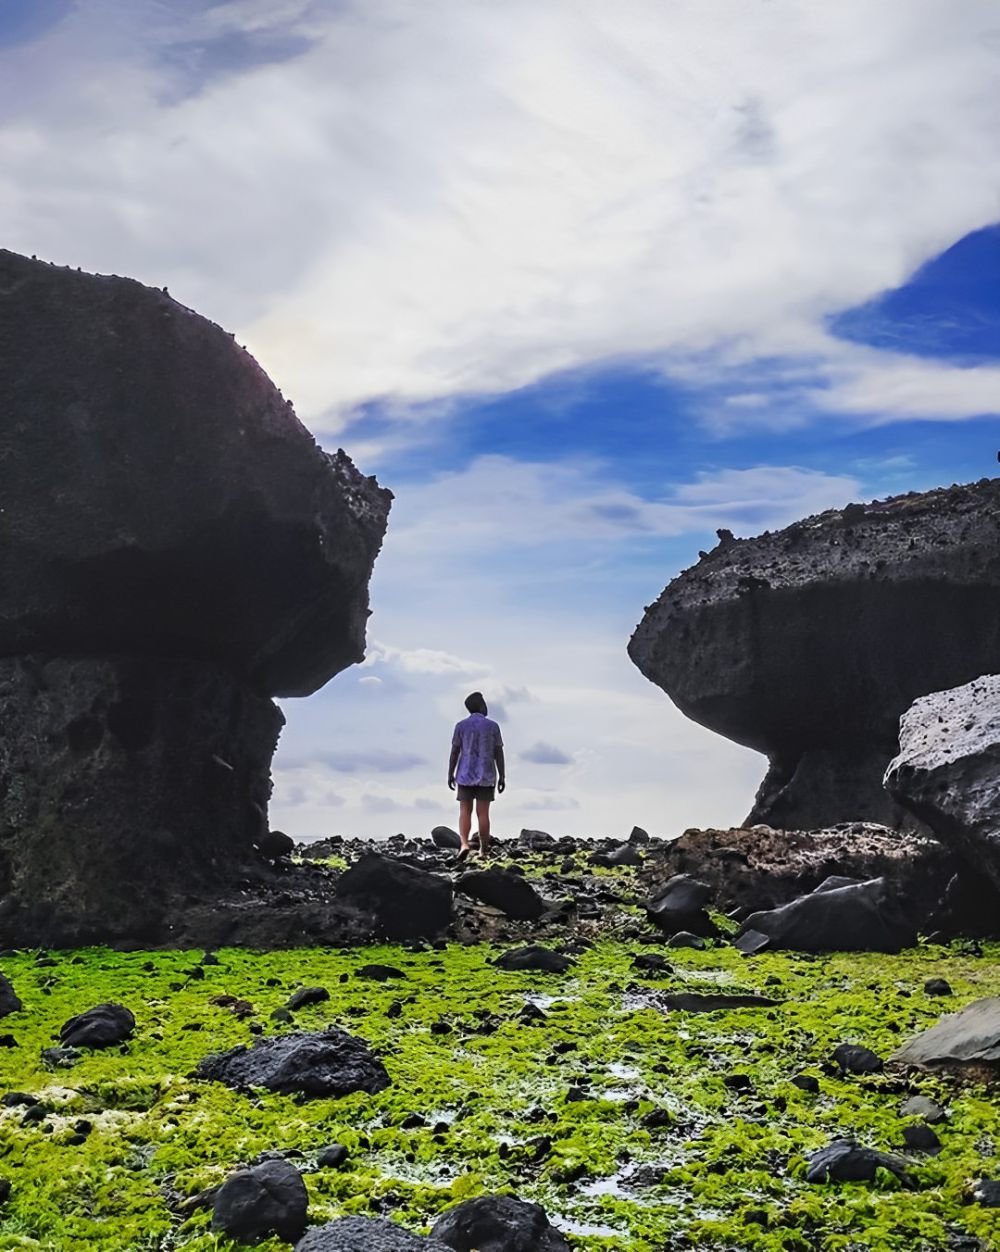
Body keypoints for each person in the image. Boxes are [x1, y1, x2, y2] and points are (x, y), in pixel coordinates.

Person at [447, 691, 505, 860]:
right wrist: (502, 775)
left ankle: (464, 844)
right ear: (480, 706)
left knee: (465, 811)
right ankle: (484, 850)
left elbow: (455, 751)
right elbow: (498, 752)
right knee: (483, 813)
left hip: (465, 773)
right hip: (486, 774)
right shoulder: (492, 726)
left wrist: (450, 773)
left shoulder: (461, 726)